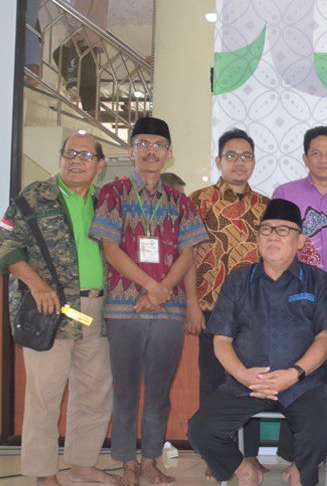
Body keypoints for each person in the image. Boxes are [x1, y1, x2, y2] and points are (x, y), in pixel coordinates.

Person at [89, 117, 207, 485]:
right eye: (143, 143)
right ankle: (127, 464)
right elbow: (110, 247)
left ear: (169, 154)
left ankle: (151, 460)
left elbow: (188, 252)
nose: (151, 151)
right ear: (131, 151)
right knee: (125, 391)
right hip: (124, 309)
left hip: (169, 311)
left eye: (158, 145)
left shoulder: (180, 200)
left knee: (159, 391)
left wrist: (164, 290)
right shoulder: (114, 193)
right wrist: (150, 286)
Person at [188, 199, 327, 486]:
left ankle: (299, 470)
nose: (273, 236)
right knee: (200, 430)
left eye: (283, 230)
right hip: (248, 382)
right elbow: (222, 340)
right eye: (266, 229)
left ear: (300, 240)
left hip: (301, 383)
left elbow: (324, 338)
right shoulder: (239, 279)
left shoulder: (318, 281)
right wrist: (243, 375)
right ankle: (245, 470)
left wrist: (294, 374)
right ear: (257, 238)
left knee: (322, 430)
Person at [0, 132, 116, 485]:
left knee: (95, 391)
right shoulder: (34, 196)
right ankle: (43, 473)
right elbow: (5, 242)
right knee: (44, 396)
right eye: (69, 153)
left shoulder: (104, 202)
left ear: (100, 164)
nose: (76, 160)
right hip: (49, 308)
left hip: (97, 308)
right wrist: (37, 284)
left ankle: (82, 464)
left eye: (86, 155)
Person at [185, 128, 271, 478]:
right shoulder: (198, 201)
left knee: (253, 383)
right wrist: (192, 305)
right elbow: (186, 257)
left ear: (254, 162)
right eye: (231, 156)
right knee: (213, 382)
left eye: (246, 156)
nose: (239, 162)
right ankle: (217, 456)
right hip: (210, 309)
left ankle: (250, 455)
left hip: (254, 315)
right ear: (219, 161)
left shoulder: (265, 206)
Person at [273, 126, 327, 288]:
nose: (323, 160)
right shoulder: (285, 194)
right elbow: (275, 245)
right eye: (316, 153)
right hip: (294, 290)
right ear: (305, 159)